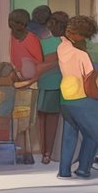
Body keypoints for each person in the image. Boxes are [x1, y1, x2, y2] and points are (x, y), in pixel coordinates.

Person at [57, 15, 98, 179]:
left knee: (69, 135)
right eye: (84, 36)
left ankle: (64, 171)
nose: (85, 39)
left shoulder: (62, 48)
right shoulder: (82, 56)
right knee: (95, 132)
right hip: (82, 97)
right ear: (75, 34)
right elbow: (89, 83)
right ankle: (83, 168)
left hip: (65, 96)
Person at [8, 9, 45, 165]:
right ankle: (22, 151)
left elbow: (40, 63)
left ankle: (28, 152)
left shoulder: (32, 39)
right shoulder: (12, 38)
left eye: (18, 24)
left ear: (24, 25)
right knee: (19, 117)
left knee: (27, 120)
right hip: (19, 83)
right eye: (12, 22)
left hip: (31, 84)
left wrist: (31, 79)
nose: (15, 27)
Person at [33, 11, 68, 165]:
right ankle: (48, 152)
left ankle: (43, 151)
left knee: (41, 118)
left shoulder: (42, 42)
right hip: (57, 84)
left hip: (42, 83)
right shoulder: (64, 43)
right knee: (52, 120)